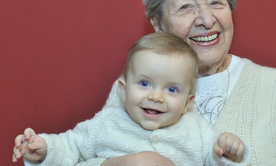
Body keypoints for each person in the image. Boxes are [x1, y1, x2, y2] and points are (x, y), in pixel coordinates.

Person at [98, 0, 276, 166]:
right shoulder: (139, 87)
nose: (206, 20)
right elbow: (80, 150)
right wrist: (123, 163)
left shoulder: (271, 87)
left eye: (215, 3)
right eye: (186, 7)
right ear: (158, 24)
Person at [12, 33, 251, 166]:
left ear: (188, 103)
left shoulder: (196, 130)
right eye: (145, 84)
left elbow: (213, 158)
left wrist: (228, 152)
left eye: (172, 90)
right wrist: (43, 149)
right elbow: (71, 145)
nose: (156, 96)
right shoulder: (107, 122)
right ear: (123, 90)